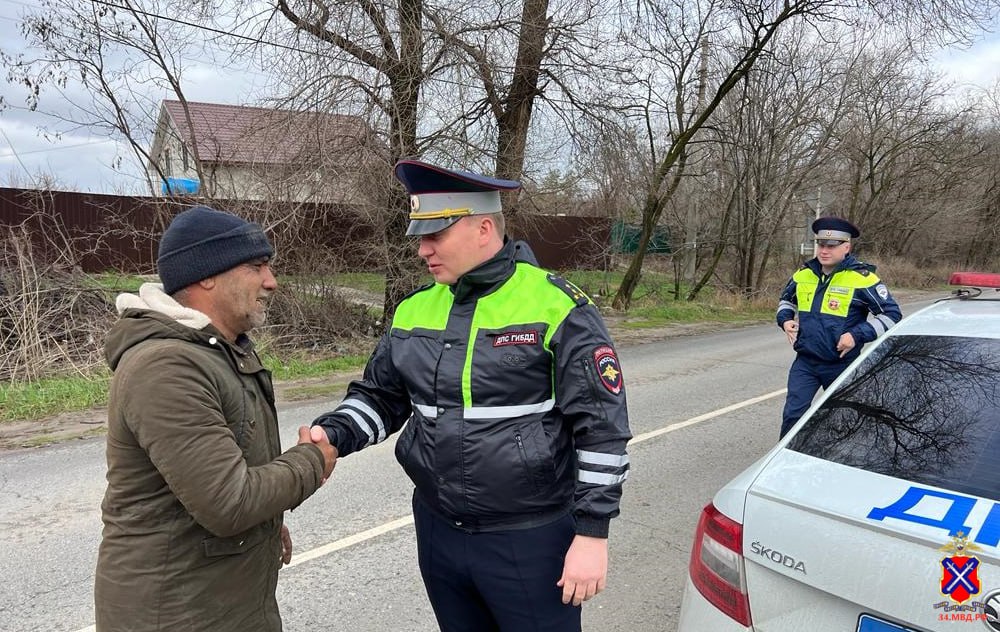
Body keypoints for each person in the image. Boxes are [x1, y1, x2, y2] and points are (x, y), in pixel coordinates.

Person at [312, 159, 632, 632]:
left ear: (484, 228)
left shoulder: (556, 306)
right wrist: (332, 433)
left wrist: (591, 534)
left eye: (435, 235)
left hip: (530, 538)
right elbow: (382, 398)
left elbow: (601, 429)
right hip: (439, 531)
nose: (422, 250)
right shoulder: (414, 310)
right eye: (420, 236)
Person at [95, 205, 336, 632]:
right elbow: (229, 502)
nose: (271, 282)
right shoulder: (167, 367)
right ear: (206, 274)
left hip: (218, 599)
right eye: (257, 266)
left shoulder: (219, 351)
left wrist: (266, 526)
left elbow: (228, 468)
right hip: (174, 612)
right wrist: (312, 461)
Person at [776, 216, 901, 438]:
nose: (824, 251)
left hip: (841, 365)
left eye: (831, 246)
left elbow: (892, 315)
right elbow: (786, 301)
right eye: (821, 245)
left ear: (847, 247)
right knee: (793, 416)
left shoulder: (863, 279)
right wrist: (785, 320)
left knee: (843, 421)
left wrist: (856, 335)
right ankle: (782, 464)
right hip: (805, 362)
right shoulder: (803, 274)